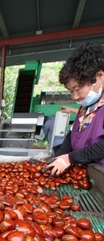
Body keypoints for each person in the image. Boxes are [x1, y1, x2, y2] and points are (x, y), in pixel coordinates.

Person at [42, 43, 104, 176]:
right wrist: (58, 157)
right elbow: (73, 136)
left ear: (100, 76)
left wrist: (70, 158)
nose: (75, 97)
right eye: (71, 91)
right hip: (86, 175)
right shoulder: (86, 108)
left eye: (77, 89)